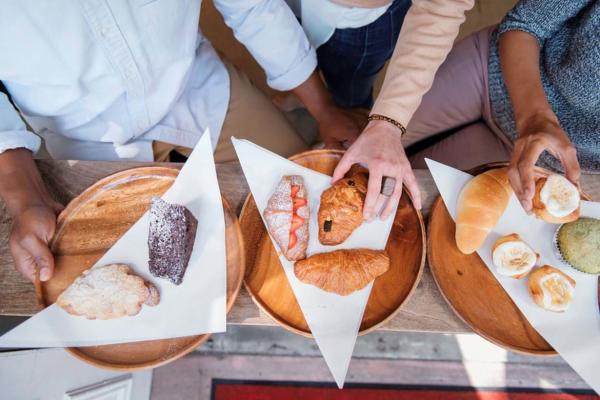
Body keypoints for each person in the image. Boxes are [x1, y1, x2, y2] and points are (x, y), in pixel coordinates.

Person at [0, 1, 360, 283]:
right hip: (81, 136)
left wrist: (323, 108)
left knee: (308, 206)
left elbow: (253, 6)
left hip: (194, 85)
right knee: (154, 281)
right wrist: (26, 199)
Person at [355, 0, 598, 216]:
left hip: (531, 162)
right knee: (362, 161)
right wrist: (534, 116)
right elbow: (525, 24)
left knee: (400, 204)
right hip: (491, 69)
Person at [330, 0, 476, 220]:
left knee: (349, 91)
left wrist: (387, 122)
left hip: (359, 16)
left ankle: (350, 108)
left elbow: (442, 5)